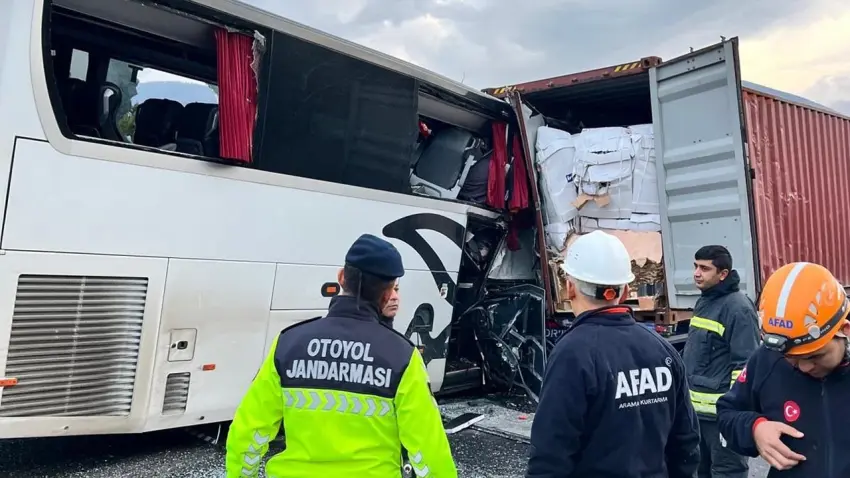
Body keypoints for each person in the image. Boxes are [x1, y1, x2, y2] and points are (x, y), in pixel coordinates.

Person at [225, 233, 457, 478]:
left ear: (340, 277)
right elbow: (429, 450)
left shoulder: (288, 344)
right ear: (388, 293)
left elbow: (248, 431)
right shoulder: (402, 356)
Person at [526, 230, 700, 478]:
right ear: (626, 290)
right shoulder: (663, 350)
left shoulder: (572, 355)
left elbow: (551, 454)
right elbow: (686, 442)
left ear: (569, 288)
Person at [717, 262, 850, 477]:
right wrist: (755, 429)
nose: (804, 367)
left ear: (845, 330)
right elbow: (727, 413)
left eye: (815, 356)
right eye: (791, 359)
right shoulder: (767, 359)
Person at [684, 245, 760, 478]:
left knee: (728, 471)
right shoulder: (705, 302)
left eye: (705, 268)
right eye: (696, 266)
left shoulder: (738, 308)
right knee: (700, 470)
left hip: (721, 418)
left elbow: (746, 365)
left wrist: (734, 413)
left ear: (723, 274)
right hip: (697, 416)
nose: (697, 273)